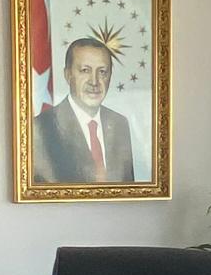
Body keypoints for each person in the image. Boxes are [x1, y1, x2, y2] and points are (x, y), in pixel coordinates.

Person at [32, 38, 134, 184]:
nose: (94, 81)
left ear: (110, 76)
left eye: (102, 72)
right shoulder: (40, 128)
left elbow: (128, 191)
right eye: (85, 70)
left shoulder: (119, 124)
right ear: (68, 75)